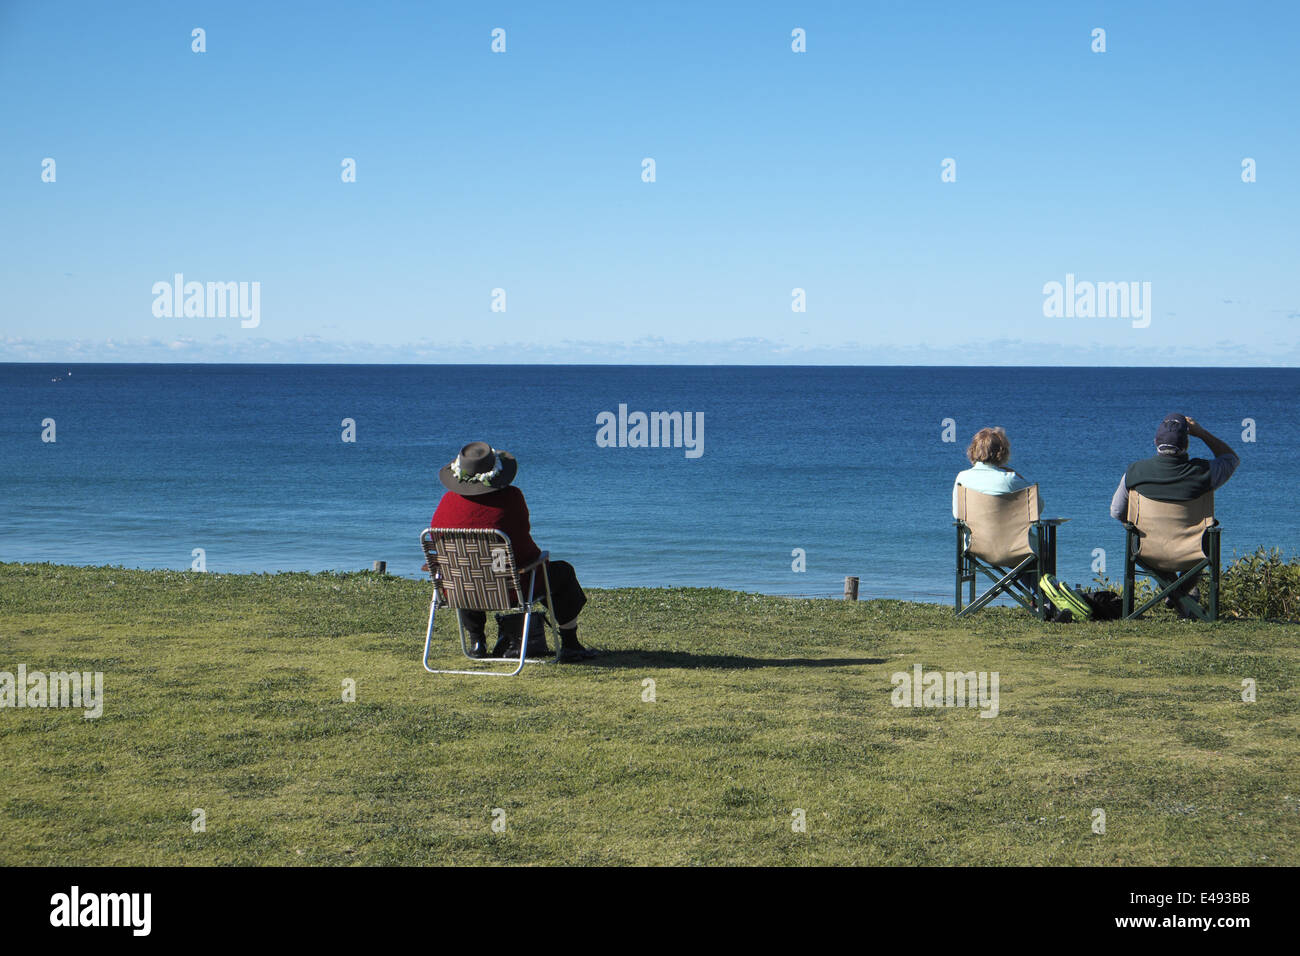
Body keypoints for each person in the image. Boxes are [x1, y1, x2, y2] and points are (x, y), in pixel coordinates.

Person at [429, 441, 596, 663]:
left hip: (458, 588)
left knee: (463, 569)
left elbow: (439, 544)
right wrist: (539, 560)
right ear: (497, 473)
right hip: (509, 590)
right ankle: (571, 644)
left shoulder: (447, 501)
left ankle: (477, 642)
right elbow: (522, 547)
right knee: (562, 572)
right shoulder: (511, 498)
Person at [1109, 414, 1240, 615]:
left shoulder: (1134, 472)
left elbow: (1117, 512)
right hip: (1193, 553)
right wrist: (1202, 433)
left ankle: (1176, 596)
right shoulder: (1204, 472)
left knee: (1144, 537)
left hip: (1147, 551)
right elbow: (1231, 458)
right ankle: (1182, 599)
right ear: (1186, 445)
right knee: (1205, 536)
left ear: (1155, 442)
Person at [951, 427, 1035, 518]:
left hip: (973, 532)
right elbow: (1037, 507)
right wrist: (1019, 476)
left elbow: (957, 514)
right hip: (1011, 532)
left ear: (972, 450)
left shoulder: (962, 478)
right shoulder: (1010, 478)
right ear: (1002, 452)